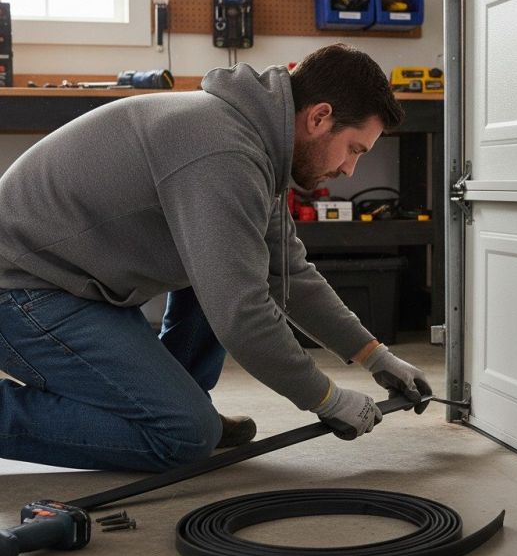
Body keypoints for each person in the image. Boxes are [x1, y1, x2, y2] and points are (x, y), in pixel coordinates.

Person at [0, 43, 432, 472]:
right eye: (355, 149)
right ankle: (178, 416)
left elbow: (289, 273)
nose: (349, 170)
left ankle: (181, 400)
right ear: (319, 117)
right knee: (182, 436)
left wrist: (375, 356)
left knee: (234, 264)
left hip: (70, 279)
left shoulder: (253, 142)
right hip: (23, 289)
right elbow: (242, 314)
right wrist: (325, 397)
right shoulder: (223, 153)